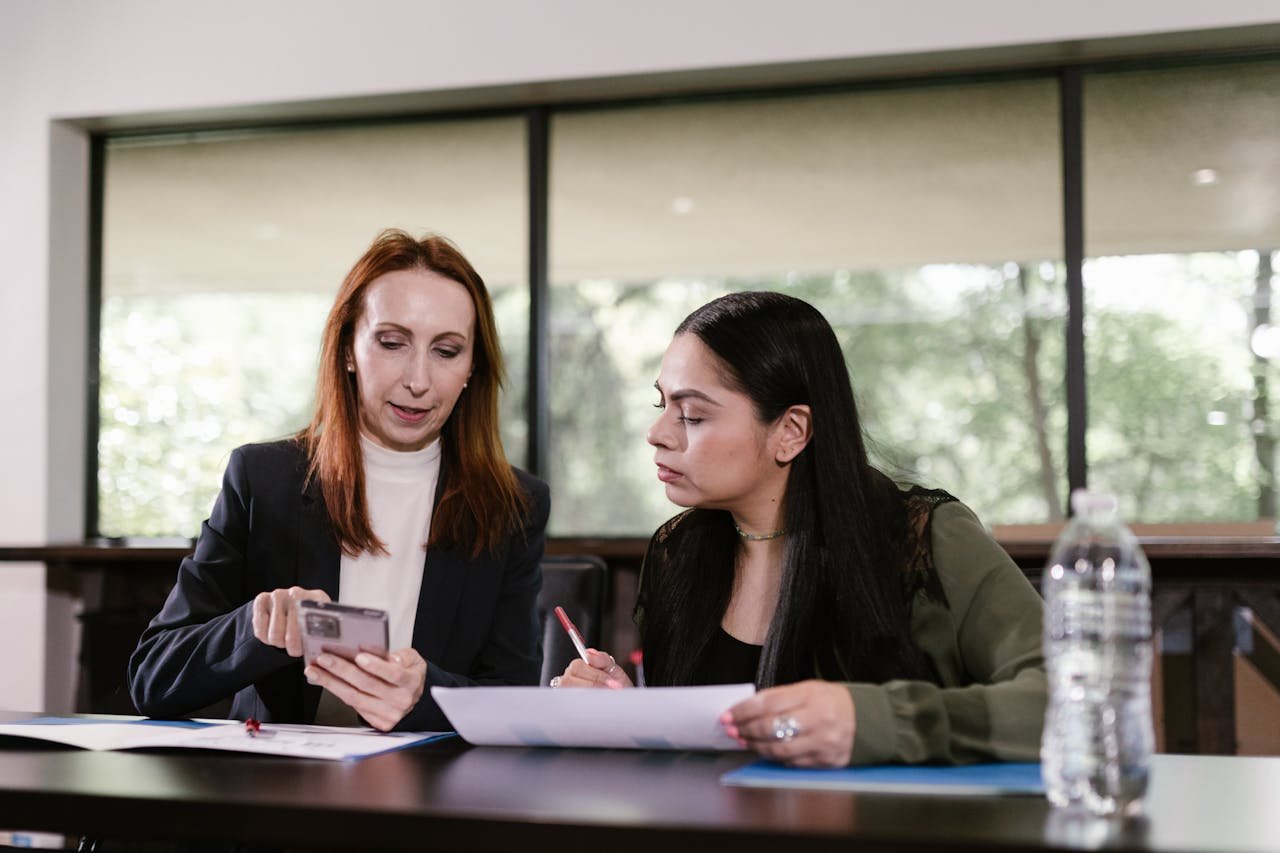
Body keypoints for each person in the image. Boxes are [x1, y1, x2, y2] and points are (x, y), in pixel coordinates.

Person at [555, 291, 1045, 767]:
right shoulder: (677, 549)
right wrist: (628, 706)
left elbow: (1073, 698)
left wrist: (875, 721)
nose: (657, 434)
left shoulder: (925, 536)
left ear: (791, 431)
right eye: (662, 405)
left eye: (694, 414)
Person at [129, 229, 549, 732]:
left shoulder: (513, 504)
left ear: (472, 368)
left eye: (446, 350)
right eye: (392, 343)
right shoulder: (263, 479)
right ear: (349, 348)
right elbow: (153, 679)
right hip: (279, 792)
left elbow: (515, 701)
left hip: (429, 792)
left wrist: (424, 694)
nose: (418, 380)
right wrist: (255, 627)